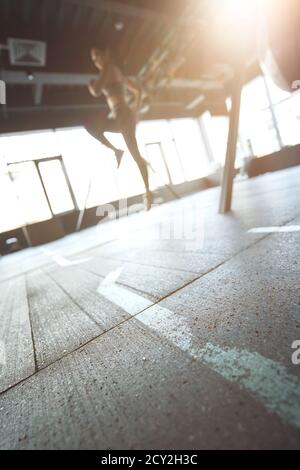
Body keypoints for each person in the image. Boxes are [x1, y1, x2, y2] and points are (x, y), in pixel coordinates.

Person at [85, 47, 153, 210]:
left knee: (135, 154)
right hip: (118, 116)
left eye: (99, 56)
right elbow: (138, 90)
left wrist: (135, 111)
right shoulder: (115, 72)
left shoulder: (109, 67)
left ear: (107, 54)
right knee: (90, 125)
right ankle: (117, 151)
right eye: (94, 59)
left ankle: (148, 192)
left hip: (124, 115)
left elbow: (95, 91)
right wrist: (135, 110)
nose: (97, 61)